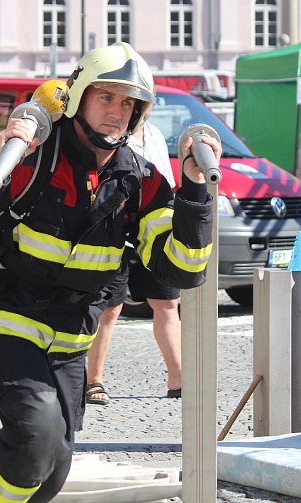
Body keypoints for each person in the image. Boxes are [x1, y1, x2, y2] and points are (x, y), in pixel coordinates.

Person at [0, 42, 218, 503]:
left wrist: (195, 191)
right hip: (3, 321)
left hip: (70, 338)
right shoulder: (30, 159)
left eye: (129, 102)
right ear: (78, 97)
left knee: (53, 464)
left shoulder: (142, 180)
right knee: (35, 437)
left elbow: (181, 270)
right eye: (107, 97)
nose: (118, 112)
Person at [85, 120, 182, 406]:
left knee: (167, 303)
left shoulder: (153, 132)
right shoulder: (107, 130)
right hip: (117, 224)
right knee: (110, 308)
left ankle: (178, 379)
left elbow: (167, 180)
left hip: (154, 224)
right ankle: (94, 380)